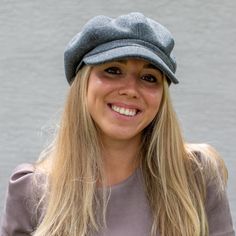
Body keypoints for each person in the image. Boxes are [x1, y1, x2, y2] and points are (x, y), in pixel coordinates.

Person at [0, 12, 234, 236]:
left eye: (149, 77)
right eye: (113, 70)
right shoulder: (32, 190)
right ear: (83, 84)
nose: (131, 90)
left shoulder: (196, 175)